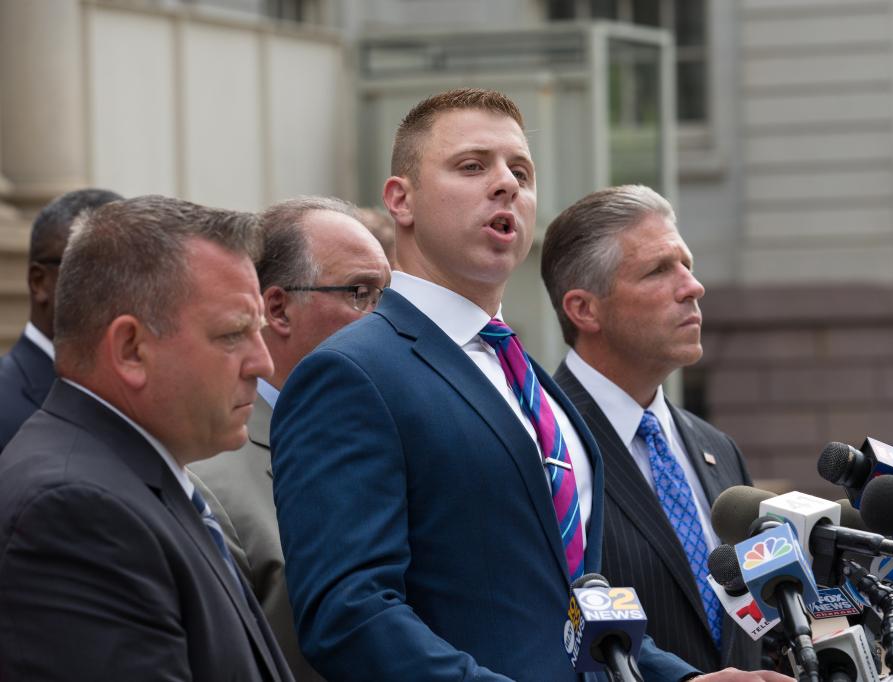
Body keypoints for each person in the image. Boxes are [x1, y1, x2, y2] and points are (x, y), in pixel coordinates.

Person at [271, 89, 790, 682]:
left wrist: (688, 680)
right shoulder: (351, 372)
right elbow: (350, 616)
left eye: (521, 171)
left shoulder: (532, 384)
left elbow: (576, 616)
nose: (506, 185)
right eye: (472, 166)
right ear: (401, 199)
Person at [0, 195, 293, 681]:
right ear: (130, 349)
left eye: (258, 331)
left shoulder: (129, 475)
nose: (262, 362)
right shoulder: (77, 510)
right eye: (231, 335)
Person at [542, 185, 759, 672]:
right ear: (584, 309)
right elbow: (548, 614)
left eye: (687, 265)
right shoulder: (539, 439)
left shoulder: (717, 448)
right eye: (659, 270)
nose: (692, 287)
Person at [189, 196, 390, 682]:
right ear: (277, 309)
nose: (387, 321)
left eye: (390, 296)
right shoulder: (211, 484)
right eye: (361, 293)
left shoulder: (402, 437)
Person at [0, 187, 122, 451]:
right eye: (95, 269)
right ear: (40, 282)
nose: (122, 287)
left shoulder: (144, 394)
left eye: (135, 270)